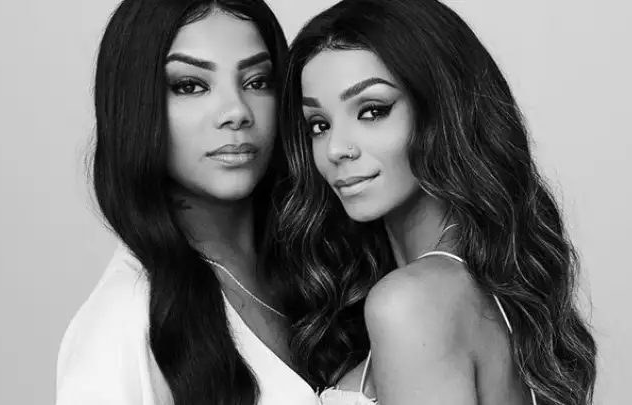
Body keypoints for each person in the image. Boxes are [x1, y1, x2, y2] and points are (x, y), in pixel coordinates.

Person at [268, 0, 598, 404]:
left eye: (372, 111)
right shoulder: (483, 287)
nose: (336, 148)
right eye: (319, 125)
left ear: (440, 112)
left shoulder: (411, 304)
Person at [55, 1, 317, 404]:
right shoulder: (122, 322)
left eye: (257, 81)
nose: (236, 112)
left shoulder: (323, 267)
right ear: (136, 107)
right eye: (190, 85)